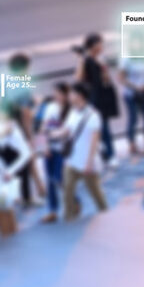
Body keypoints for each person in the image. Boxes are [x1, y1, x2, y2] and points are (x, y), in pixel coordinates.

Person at [57, 84, 108, 221]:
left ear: (80, 96)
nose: (69, 96)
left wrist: (89, 162)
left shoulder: (93, 115)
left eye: (72, 93)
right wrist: (52, 134)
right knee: (67, 191)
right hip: (72, 160)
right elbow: (66, 130)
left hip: (87, 163)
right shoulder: (73, 112)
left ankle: (107, 215)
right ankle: (69, 217)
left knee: (96, 193)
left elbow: (94, 141)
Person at [6, 53, 45, 208]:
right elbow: (25, 113)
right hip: (19, 129)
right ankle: (29, 196)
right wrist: (29, 135)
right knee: (25, 161)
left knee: (13, 162)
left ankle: (17, 195)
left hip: (5, 128)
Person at [0, 110, 33, 236]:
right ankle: (7, 234)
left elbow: (26, 153)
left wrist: (11, 171)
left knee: (3, 205)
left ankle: (10, 234)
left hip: (4, 174)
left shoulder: (14, 132)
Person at [76, 33, 119, 168]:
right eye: (99, 44)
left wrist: (104, 67)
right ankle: (106, 154)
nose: (101, 46)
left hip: (104, 95)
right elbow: (79, 79)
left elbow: (106, 80)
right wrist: (82, 60)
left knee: (104, 127)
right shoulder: (86, 60)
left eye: (101, 43)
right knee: (98, 128)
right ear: (92, 46)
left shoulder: (102, 59)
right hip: (93, 98)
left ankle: (108, 155)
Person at [39, 83, 71, 223]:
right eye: (54, 93)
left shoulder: (71, 110)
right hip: (50, 148)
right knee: (50, 180)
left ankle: (74, 200)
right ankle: (52, 210)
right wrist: (44, 146)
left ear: (65, 95)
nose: (56, 96)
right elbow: (43, 127)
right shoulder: (51, 107)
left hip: (63, 149)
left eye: (58, 93)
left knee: (59, 178)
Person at [120, 49, 144, 156]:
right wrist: (136, 87)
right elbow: (121, 78)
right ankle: (132, 145)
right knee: (133, 119)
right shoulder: (126, 59)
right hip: (131, 94)